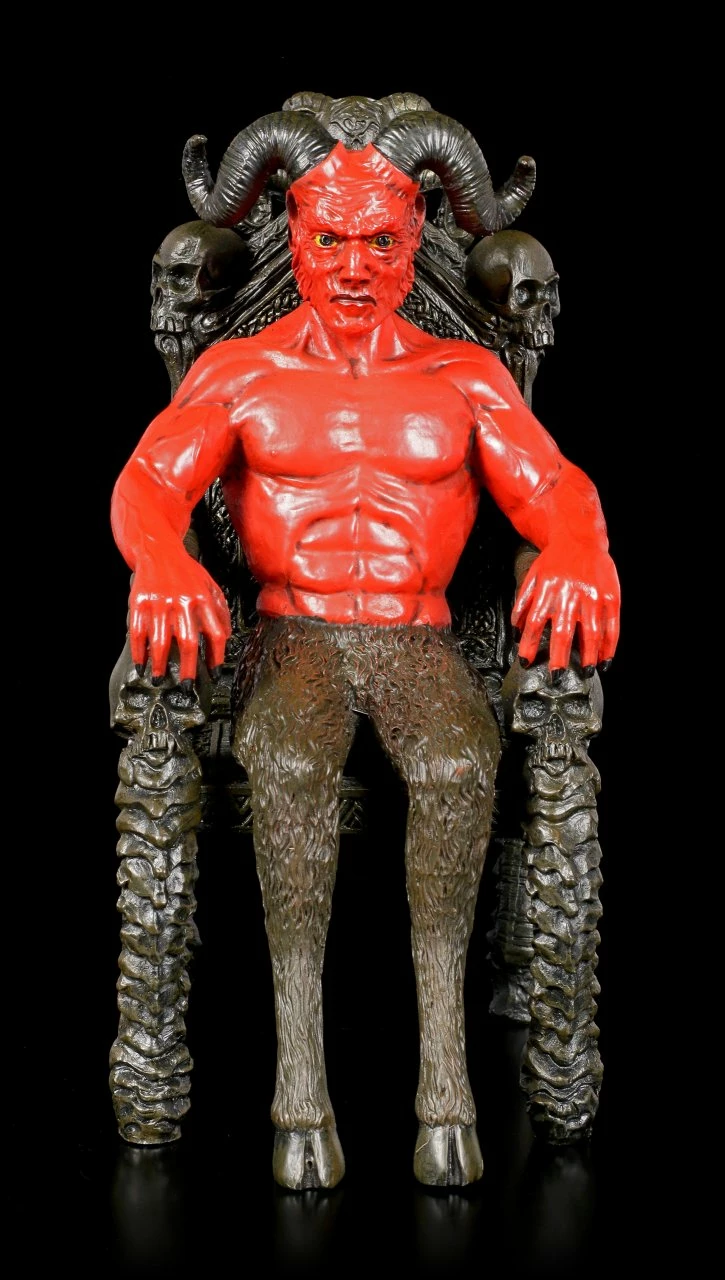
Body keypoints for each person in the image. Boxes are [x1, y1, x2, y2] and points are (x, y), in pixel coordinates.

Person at [111, 114, 620, 1190]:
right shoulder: (240, 370)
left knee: (459, 763)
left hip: (416, 633)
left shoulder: (465, 374)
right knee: (288, 763)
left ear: (414, 237)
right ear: (294, 236)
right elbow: (148, 479)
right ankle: (300, 1090)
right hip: (292, 630)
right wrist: (158, 558)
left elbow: (554, 486)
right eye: (330, 240)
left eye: (380, 242)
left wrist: (581, 546)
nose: (353, 268)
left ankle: (447, 1086)